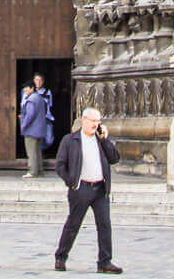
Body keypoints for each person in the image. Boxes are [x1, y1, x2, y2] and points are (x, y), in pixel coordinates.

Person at [53, 105, 122, 274]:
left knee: (105, 225)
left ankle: (105, 262)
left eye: (98, 122)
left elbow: (114, 159)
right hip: (81, 188)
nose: (95, 125)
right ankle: (61, 256)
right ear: (83, 120)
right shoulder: (71, 140)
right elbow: (60, 165)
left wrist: (105, 139)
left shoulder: (100, 140)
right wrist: (71, 182)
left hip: (100, 188)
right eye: (93, 121)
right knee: (73, 224)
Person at [20, 72, 54, 177]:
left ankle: (33, 171)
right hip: (40, 129)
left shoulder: (31, 100)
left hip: (31, 130)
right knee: (38, 151)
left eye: (26, 89)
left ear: (31, 88)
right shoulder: (39, 98)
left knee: (31, 151)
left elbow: (29, 115)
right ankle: (39, 171)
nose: (25, 91)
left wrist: (23, 125)